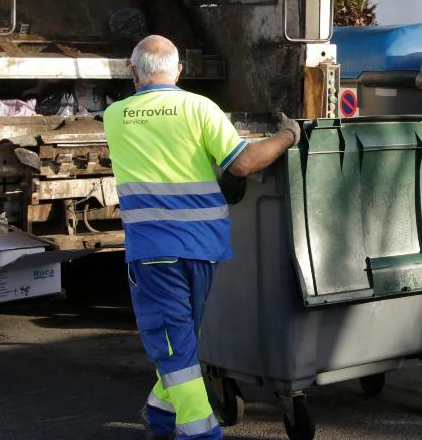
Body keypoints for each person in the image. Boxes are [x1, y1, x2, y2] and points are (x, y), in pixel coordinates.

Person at [103, 35, 300, 439]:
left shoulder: (115, 115)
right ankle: (170, 421)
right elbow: (243, 164)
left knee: (176, 351)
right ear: (178, 70)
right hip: (202, 250)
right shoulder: (200, 108)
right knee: (180, 344)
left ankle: (194, 430)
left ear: (134, 73)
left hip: (155, 255)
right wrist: (288, 136)